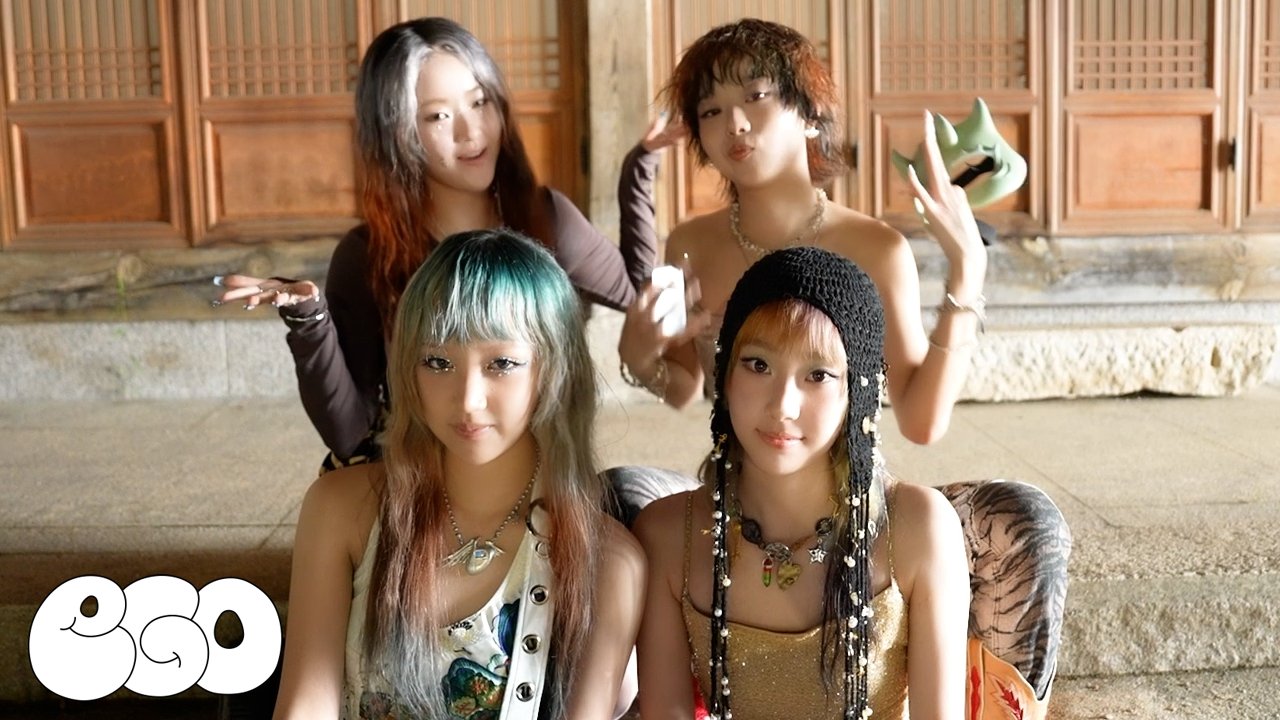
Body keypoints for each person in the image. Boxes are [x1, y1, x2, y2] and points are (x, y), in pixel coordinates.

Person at [614, 18, 1071, 716]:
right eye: (710, 111)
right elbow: (684, 388)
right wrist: (639, 356)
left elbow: (921, 420)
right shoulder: (691, 245)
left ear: (808, 112)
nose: (735, 124)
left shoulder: (874, 246)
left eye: (757, 97)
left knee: (1023, 522)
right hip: (737, 485)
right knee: (617, 501)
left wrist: (966, 278)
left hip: (850, 495)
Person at [215, 16, 666, 471]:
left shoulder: (547, 219)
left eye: (480, 101)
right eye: (438, 116)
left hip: (535, 474)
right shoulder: (367, 254)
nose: (471, 132)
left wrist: (639, 170)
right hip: (425, 477)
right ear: (396, 134)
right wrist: (309, 319)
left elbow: (639, 292)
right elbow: (349, 434)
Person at [272, 229, 645, 719]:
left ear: (556, 368)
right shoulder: (343, 510)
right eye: (437, 361)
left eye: (501, 363)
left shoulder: (607, 560)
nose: (468, 399)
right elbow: (305, 707)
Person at [634, 246, 969, 719]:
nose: (782, 406)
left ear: (859, 392)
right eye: (758, 365)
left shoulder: (918, 530)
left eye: (818, 375)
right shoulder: (670, 537)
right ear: (725, 374)